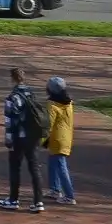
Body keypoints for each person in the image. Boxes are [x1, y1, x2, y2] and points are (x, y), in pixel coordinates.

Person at [0, 66, 45, 211]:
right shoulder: (31, 93)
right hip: (33, 137)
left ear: (12, 79)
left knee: (15, 167)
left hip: (19, 137)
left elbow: (9, 121)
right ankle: (38, 202)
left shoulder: (12, 97)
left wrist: (8, 140)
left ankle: (14, 200)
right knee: (34, 167)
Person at [44, 76, 77, 205]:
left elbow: (48, 125)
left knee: (60, 166)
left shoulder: (52, 105)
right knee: (53, 164)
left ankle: (69, 195)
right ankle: (55, 189)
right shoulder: (68, 103)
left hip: (57, 139)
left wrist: (41, 139)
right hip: (65, 138)